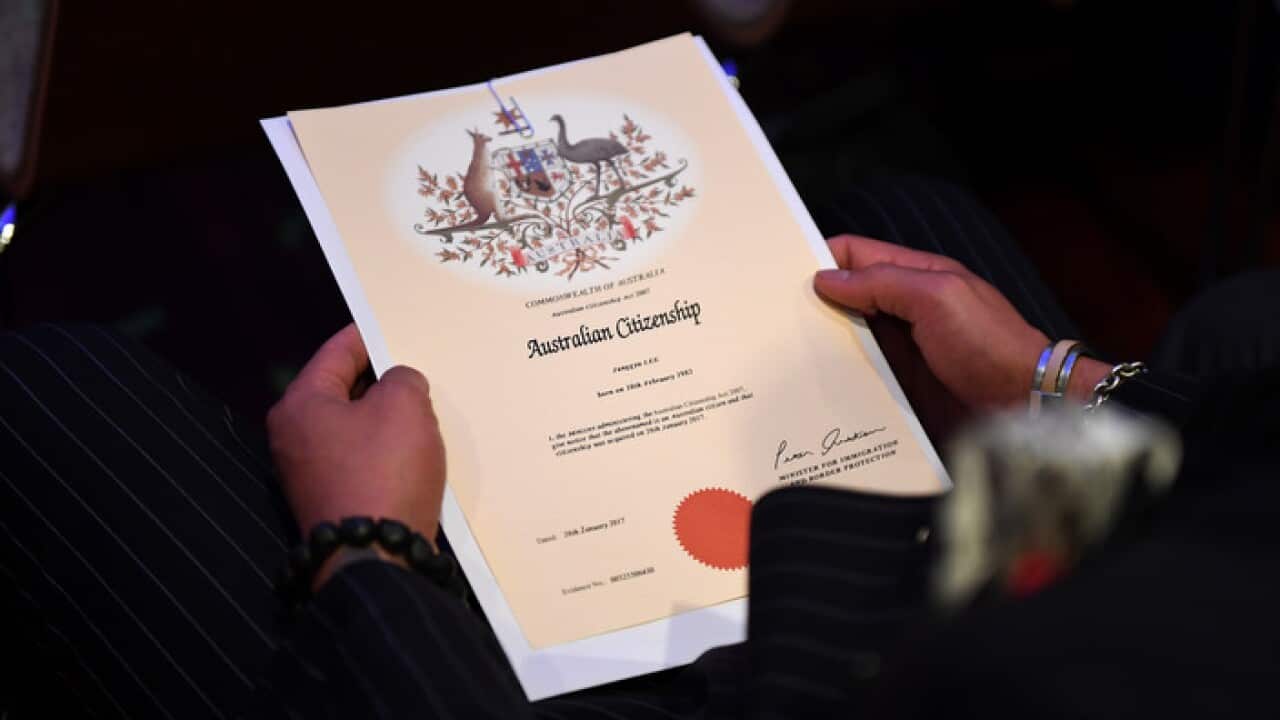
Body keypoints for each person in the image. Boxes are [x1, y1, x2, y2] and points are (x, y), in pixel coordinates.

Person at [0, 177, 1275, 719]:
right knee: (892, 219)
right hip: (1049, 547)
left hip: (849, 663)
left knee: (54, 393)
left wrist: (365, 551)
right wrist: (1055, 374)